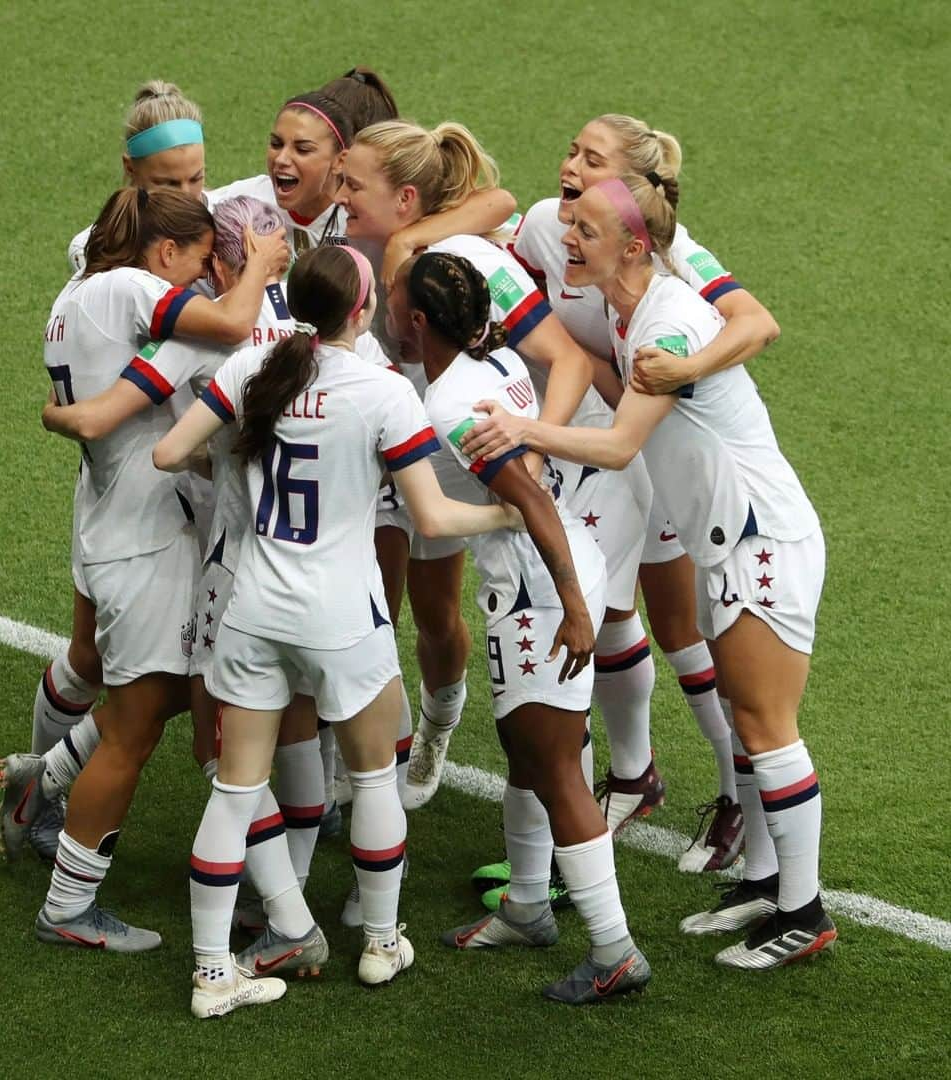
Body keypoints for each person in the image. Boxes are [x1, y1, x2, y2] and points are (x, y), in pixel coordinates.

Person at [464, 173, 835, 969]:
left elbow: (620, 444)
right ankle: (763, 884)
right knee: (744, 714)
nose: (568, 237)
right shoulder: (630, 309)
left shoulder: (665, 327)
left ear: (634, 246)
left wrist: (521, 430)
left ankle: (804, 913)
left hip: (759, 539)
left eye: (587, 230)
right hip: (729, 539)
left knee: (768, 727)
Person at [150, 245, 523, 1015]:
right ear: (360, 311)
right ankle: (382, 944)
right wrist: (507, 512)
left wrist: (236, 468)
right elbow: (431, 516)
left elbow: (166, 451)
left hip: (252, 612)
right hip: (343, 617)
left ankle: (213, 973)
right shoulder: (384, 391)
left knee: (233, 792)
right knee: (375, 778)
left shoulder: (253, 370)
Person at [481, 112, 782, 868]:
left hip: (653, 450)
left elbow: (755, 322)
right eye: (571, 150)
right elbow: (491, 217)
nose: (570, 165)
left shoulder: (672, 253)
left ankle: (733, 796)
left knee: (683, 628)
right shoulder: (557, 226)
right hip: (599, 435)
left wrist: (683, 370)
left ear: (633, 187)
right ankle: (632, 772)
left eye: (592, 158)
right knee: (608, 607)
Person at [0, 187, 289, 953]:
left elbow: (115, 404)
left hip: (121, 522)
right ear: (162, 254)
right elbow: (224, 325)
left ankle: (44, 778)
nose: (196, 282)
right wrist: (258, 263)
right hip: (144, 538)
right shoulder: (128, 286)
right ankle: (67, 907)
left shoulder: (76, 295)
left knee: (160, 701)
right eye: (193, 265)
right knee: (133, 731)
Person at [387, 250, 651, 1004]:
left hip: (540, 588)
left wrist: (571, 609)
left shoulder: (448, 409)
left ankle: (615, 952)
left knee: (558, 770)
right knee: (528, 753)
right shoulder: (495, 358)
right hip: (547, 577)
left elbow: (530, 502)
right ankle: (529, 905)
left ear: (417, 322)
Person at [336, 119, 612, 811]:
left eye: (351, 183)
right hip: (382, 456)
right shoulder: (348, 253)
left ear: (404, 201)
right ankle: (357, 772)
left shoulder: (460, 260)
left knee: (434, 618)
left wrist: (534, 440)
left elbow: (570, 359)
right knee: (368, 607)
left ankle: (436, 722)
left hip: (458, 459)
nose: (337, 195)